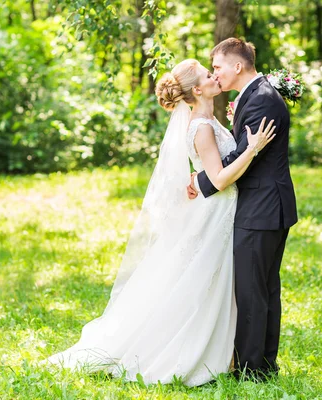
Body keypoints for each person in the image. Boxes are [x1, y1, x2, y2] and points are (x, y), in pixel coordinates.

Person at [45, 58, 276, 387]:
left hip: (222, 212)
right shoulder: (202, 127)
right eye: (209, 75)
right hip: (216, 212)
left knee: (212, 284)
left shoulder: (208, 120)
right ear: (197, 89)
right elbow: (221, 179)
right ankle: (185, 351)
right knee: (201, 283)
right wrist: (251, 149)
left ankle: (223, 352)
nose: (215, 77)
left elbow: (212, 169)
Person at [187, 38, 298, 380]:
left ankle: (253, 370)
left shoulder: (261, 100)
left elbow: (243, 158)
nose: (215, 74)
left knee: (253, 291)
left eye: (217, 67)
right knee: (262, 288)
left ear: (237, 66)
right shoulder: (254, 94)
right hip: (264, 206)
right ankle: (263, 364)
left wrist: (202, 181)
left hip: (262, 208)